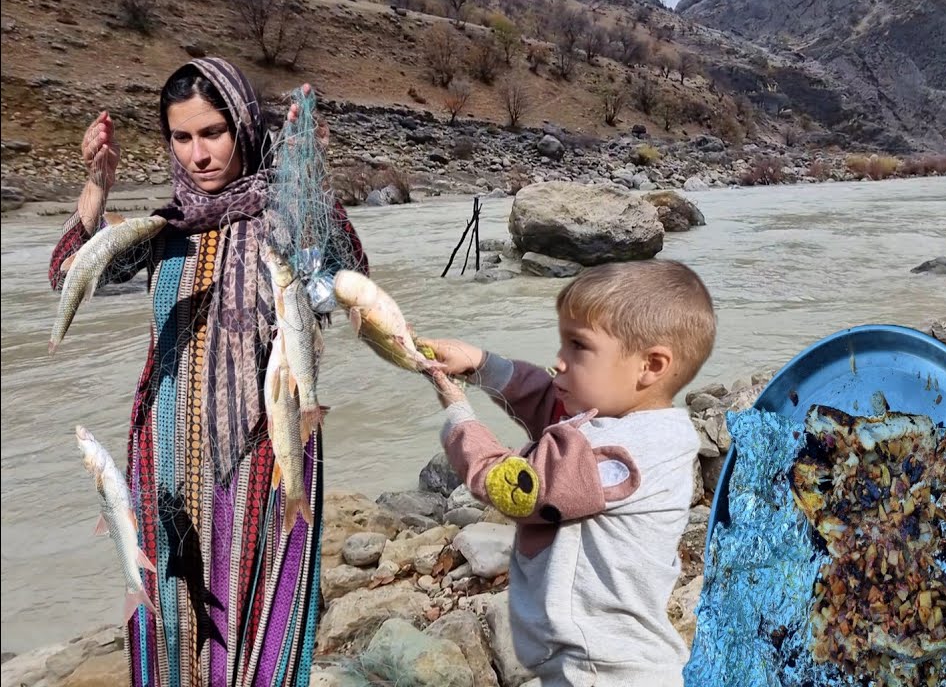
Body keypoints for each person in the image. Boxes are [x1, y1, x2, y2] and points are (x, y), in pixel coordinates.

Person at [48, 57, 368, 687]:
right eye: (182, 137)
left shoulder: (286, 217)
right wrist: (96, 189)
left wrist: (311, 181)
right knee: (174, 621)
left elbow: (350, 276)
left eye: (213, 132)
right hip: (166, 458)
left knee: (263, 623)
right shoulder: (160, 230)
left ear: (244, 127)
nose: (198, 154)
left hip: (270, 453)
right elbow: (67, 276)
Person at [420, 259, 717, 687]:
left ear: (650, 366)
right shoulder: (637, 424)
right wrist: (481, 364)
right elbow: (554, 410)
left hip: (602, 674)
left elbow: (514, 486)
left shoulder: (623, 453)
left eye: (578, 346)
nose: (558, 361)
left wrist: (458, 414)